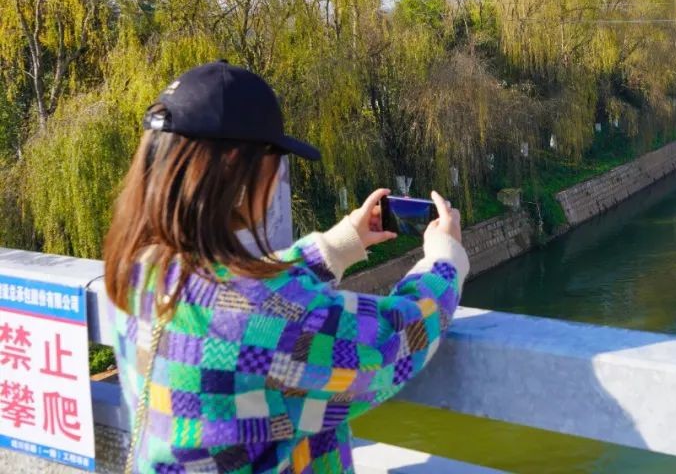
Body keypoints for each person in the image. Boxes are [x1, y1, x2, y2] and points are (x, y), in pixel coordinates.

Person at [102, 60, 470, 472]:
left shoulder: (139, 269)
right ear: (238, 168)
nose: (277, 179)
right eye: (275, 162)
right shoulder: (263, 316)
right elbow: (388, 344)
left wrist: (338, 245)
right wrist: (444, 260)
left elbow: (246, 295)